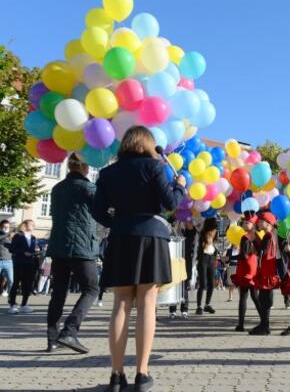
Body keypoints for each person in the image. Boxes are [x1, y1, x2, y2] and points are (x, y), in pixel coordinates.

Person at [93, 126, 186, 392]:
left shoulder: (108, 172)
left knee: (120, 305)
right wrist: (180, 187)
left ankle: (116, 374)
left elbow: (98, 211)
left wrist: (120, 222)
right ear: (148, 143)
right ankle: (142, 374)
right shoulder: (155, 167)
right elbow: (170, 203)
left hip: (121, 238)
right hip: (152, 237)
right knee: (147, 304)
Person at [45, 154, 100, 354]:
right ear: (85, 168)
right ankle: (69, 330)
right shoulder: (89, 188)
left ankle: (52, 339)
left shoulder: (57, 188)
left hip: (59, 246)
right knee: (92, 288)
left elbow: (53, 213)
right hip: (81, 247)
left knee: (58, 292)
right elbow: (102, 212)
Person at [250, 212, 280, 335]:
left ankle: (264, 326)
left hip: (267, 271)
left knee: (264, 299)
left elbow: (263, 251)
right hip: (269, 270)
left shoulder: (268, 235)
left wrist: (255, 241)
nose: (259, 222)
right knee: (265, 299)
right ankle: (264, 325)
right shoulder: (273, 234)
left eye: (261, 221)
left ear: (268, 223)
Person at [231, 216, 260, 332]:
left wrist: (230, 257)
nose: (244, 223)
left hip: (245, 268)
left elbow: (244, 255)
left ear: (253, 225)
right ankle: (264, 320)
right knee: (254, 296)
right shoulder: (257, 237)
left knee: (243, 296)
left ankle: (241, 324)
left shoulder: (245, 237)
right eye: (244, 222)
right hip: (253, 267)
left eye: (247, 222)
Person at [8, 220, 38, 314]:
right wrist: (23, 252)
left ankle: (24, 305)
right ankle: (12, 305)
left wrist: (37, 250)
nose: (33, 225)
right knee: (16, 282)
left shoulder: (33, 237)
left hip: (30, 263)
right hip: (19, 262)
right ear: (25, 225)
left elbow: (32, 249)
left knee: (28, 284)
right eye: (31, 224)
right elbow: (12, 248)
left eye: (34, 224)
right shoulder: (18, 235)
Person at [169, 221, 198, 318]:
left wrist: (185, 219)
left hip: (185, 262)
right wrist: (177, 223)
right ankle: (172, 310)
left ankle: (184, 310)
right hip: (173, 261)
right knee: (173, 286)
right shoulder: (172, 233)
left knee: (184, 286)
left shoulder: (189, 233)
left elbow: (190, 227)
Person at [195, 219, 218, 315]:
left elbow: (214, 249)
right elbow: (200, 249)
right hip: (203, 259)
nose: (214, 230)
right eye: (213, 228)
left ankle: (207, 304)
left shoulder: (215, 235)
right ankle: (199, 306)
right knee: (203, 284)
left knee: (211, 284)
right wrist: (207, 241)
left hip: (211, 259)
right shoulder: (202, 235)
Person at [1, 220, 14, 299]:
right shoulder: (3, 235)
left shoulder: (11, 237)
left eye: (8, 227)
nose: (6, 228)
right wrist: (8, 233)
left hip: (8, 261)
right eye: (4, 227)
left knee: (11, 281)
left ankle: (11, 299)